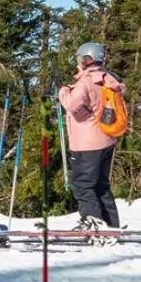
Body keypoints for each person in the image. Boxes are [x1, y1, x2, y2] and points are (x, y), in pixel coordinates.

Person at [56, 42, 125, 228]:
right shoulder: (107, 79)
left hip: (87, 145)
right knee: (101, 185)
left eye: (80, 58)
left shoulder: (86, 82)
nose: (78, 62)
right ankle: (111, 226)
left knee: (83, 186)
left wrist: (63, 91)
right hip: (106, 140)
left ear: (87, 59)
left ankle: (95, 226)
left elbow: (71, 105)